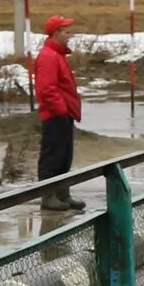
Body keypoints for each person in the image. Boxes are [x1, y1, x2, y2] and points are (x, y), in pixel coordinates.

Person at [32, 14, 83, 208]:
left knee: (64, 156)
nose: (70, 35)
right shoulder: (48, 56)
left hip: (64, 113)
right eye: (66, 31)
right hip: (55, 115)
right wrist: (61, 109)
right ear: (56, 33)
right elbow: (46, 89)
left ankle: (62, 194)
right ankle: (48, 196)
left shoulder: (57, 55)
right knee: (52, 156)